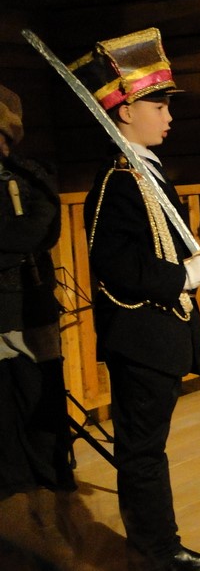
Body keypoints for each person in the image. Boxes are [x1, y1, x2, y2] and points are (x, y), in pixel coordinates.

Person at [75, 29, 200, 570]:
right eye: (158, 106)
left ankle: (155, 545)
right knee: (142, 451)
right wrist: (183, 275)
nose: (168, 116)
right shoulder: (118, 179)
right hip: (139, 336)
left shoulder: (144, 171)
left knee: (147, 448)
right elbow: (113, 263)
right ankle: (156, 550)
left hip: (155, 336)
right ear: (124, 113)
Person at [0, 83, 75, 498]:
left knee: (38, 398)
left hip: (31, 305)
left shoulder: (32, 175)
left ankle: (50, 483)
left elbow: (39, 232)